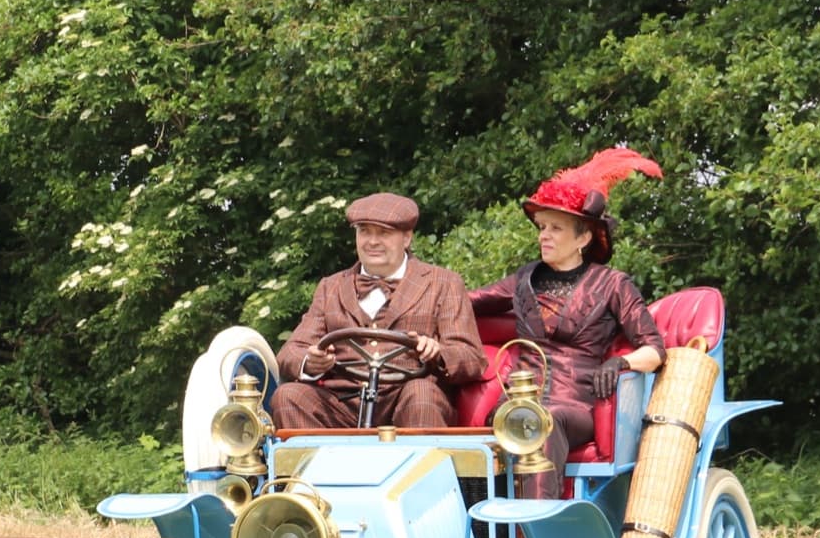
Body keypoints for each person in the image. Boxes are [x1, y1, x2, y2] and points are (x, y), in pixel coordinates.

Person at [471, 149, 665, 498]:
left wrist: (620, 362)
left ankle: (538, 535)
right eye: (542, 227)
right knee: (498, 425)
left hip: (575, 405)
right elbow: (468, 301)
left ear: (584, 238)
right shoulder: (525, 278)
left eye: (556, 228)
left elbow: (654, 350)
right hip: (517, 400)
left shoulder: (612, 284)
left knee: (541, 420)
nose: (544, 235)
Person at [272, 192, 488, 429]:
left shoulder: (444, 283)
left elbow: (472, 358)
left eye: (383, 233)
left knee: (421, 395)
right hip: (343, 405)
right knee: (288, 396)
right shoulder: (330, 287)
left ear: (406, 238)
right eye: (364, 231)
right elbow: (289, 352)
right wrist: (310, 362)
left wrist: (438, 352)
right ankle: (315, 466)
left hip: (410, 400)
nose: (372, 241)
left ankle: (421, 466)